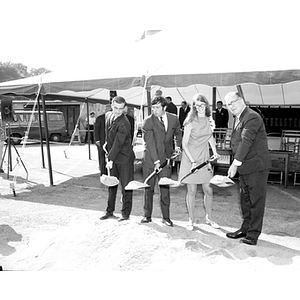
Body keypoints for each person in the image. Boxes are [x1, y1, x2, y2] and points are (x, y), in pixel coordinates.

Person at [224, 92, 271, 246]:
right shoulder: (239, 118)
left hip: (256, 167)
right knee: (245, 201)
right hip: (245, 167)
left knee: (256, 201)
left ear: (242, 100)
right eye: (228, 104)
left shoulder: (251, 116)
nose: (231, 106)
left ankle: (253, 234)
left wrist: (234, 163)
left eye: (234, 102)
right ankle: (245, 229)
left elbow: (246, 141)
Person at [178, 94, 220, 230]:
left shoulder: (209, 119)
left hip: (204, 157)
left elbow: (210, 137)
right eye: (197, 105)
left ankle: (209, 218)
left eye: (203, 104)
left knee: (208, 189)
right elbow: (184, 144)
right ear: (194, 106)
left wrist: (215, 152)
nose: (200, 107)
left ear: (206, 105)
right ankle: (191, 220)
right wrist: (192, 161)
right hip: (191, 158)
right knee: (192, 190)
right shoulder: (190, 120)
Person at [141, 96, 182, 226]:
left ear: (164, 107)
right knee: (149, 189)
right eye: (152, 107)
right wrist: (156, 162)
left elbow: (178, 133)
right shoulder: (147, 121)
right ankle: (147, 216)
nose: (154, 110)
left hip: (167, 160)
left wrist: (178, 147)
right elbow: (150, 144)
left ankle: (166, 217)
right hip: (150, 160)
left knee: (164, 189)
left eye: (157, 107)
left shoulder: (174, 118)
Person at [99, 96, 135, 222]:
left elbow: (119, 143)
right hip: (113, 156)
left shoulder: (124, 122)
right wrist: (106, 144)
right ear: (111, 105)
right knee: (112, 184)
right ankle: (109, 211)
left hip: (124, 159)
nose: (118, 111)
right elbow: (109, 135)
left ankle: (125, 214)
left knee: (126, 187)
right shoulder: (108, 116)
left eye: (121, 108)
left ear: (124, 108)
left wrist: (110, 159)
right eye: (115, 108)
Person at [94, 104, 111, 175]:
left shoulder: (113, 118)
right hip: (101, 141)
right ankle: (103, 171)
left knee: (111, 157)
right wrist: (97, 140)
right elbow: (96, 130)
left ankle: (111, 171)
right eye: (108, 109)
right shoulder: (100, 118)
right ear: (105, 110)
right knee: (101, 157)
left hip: (110, 142)